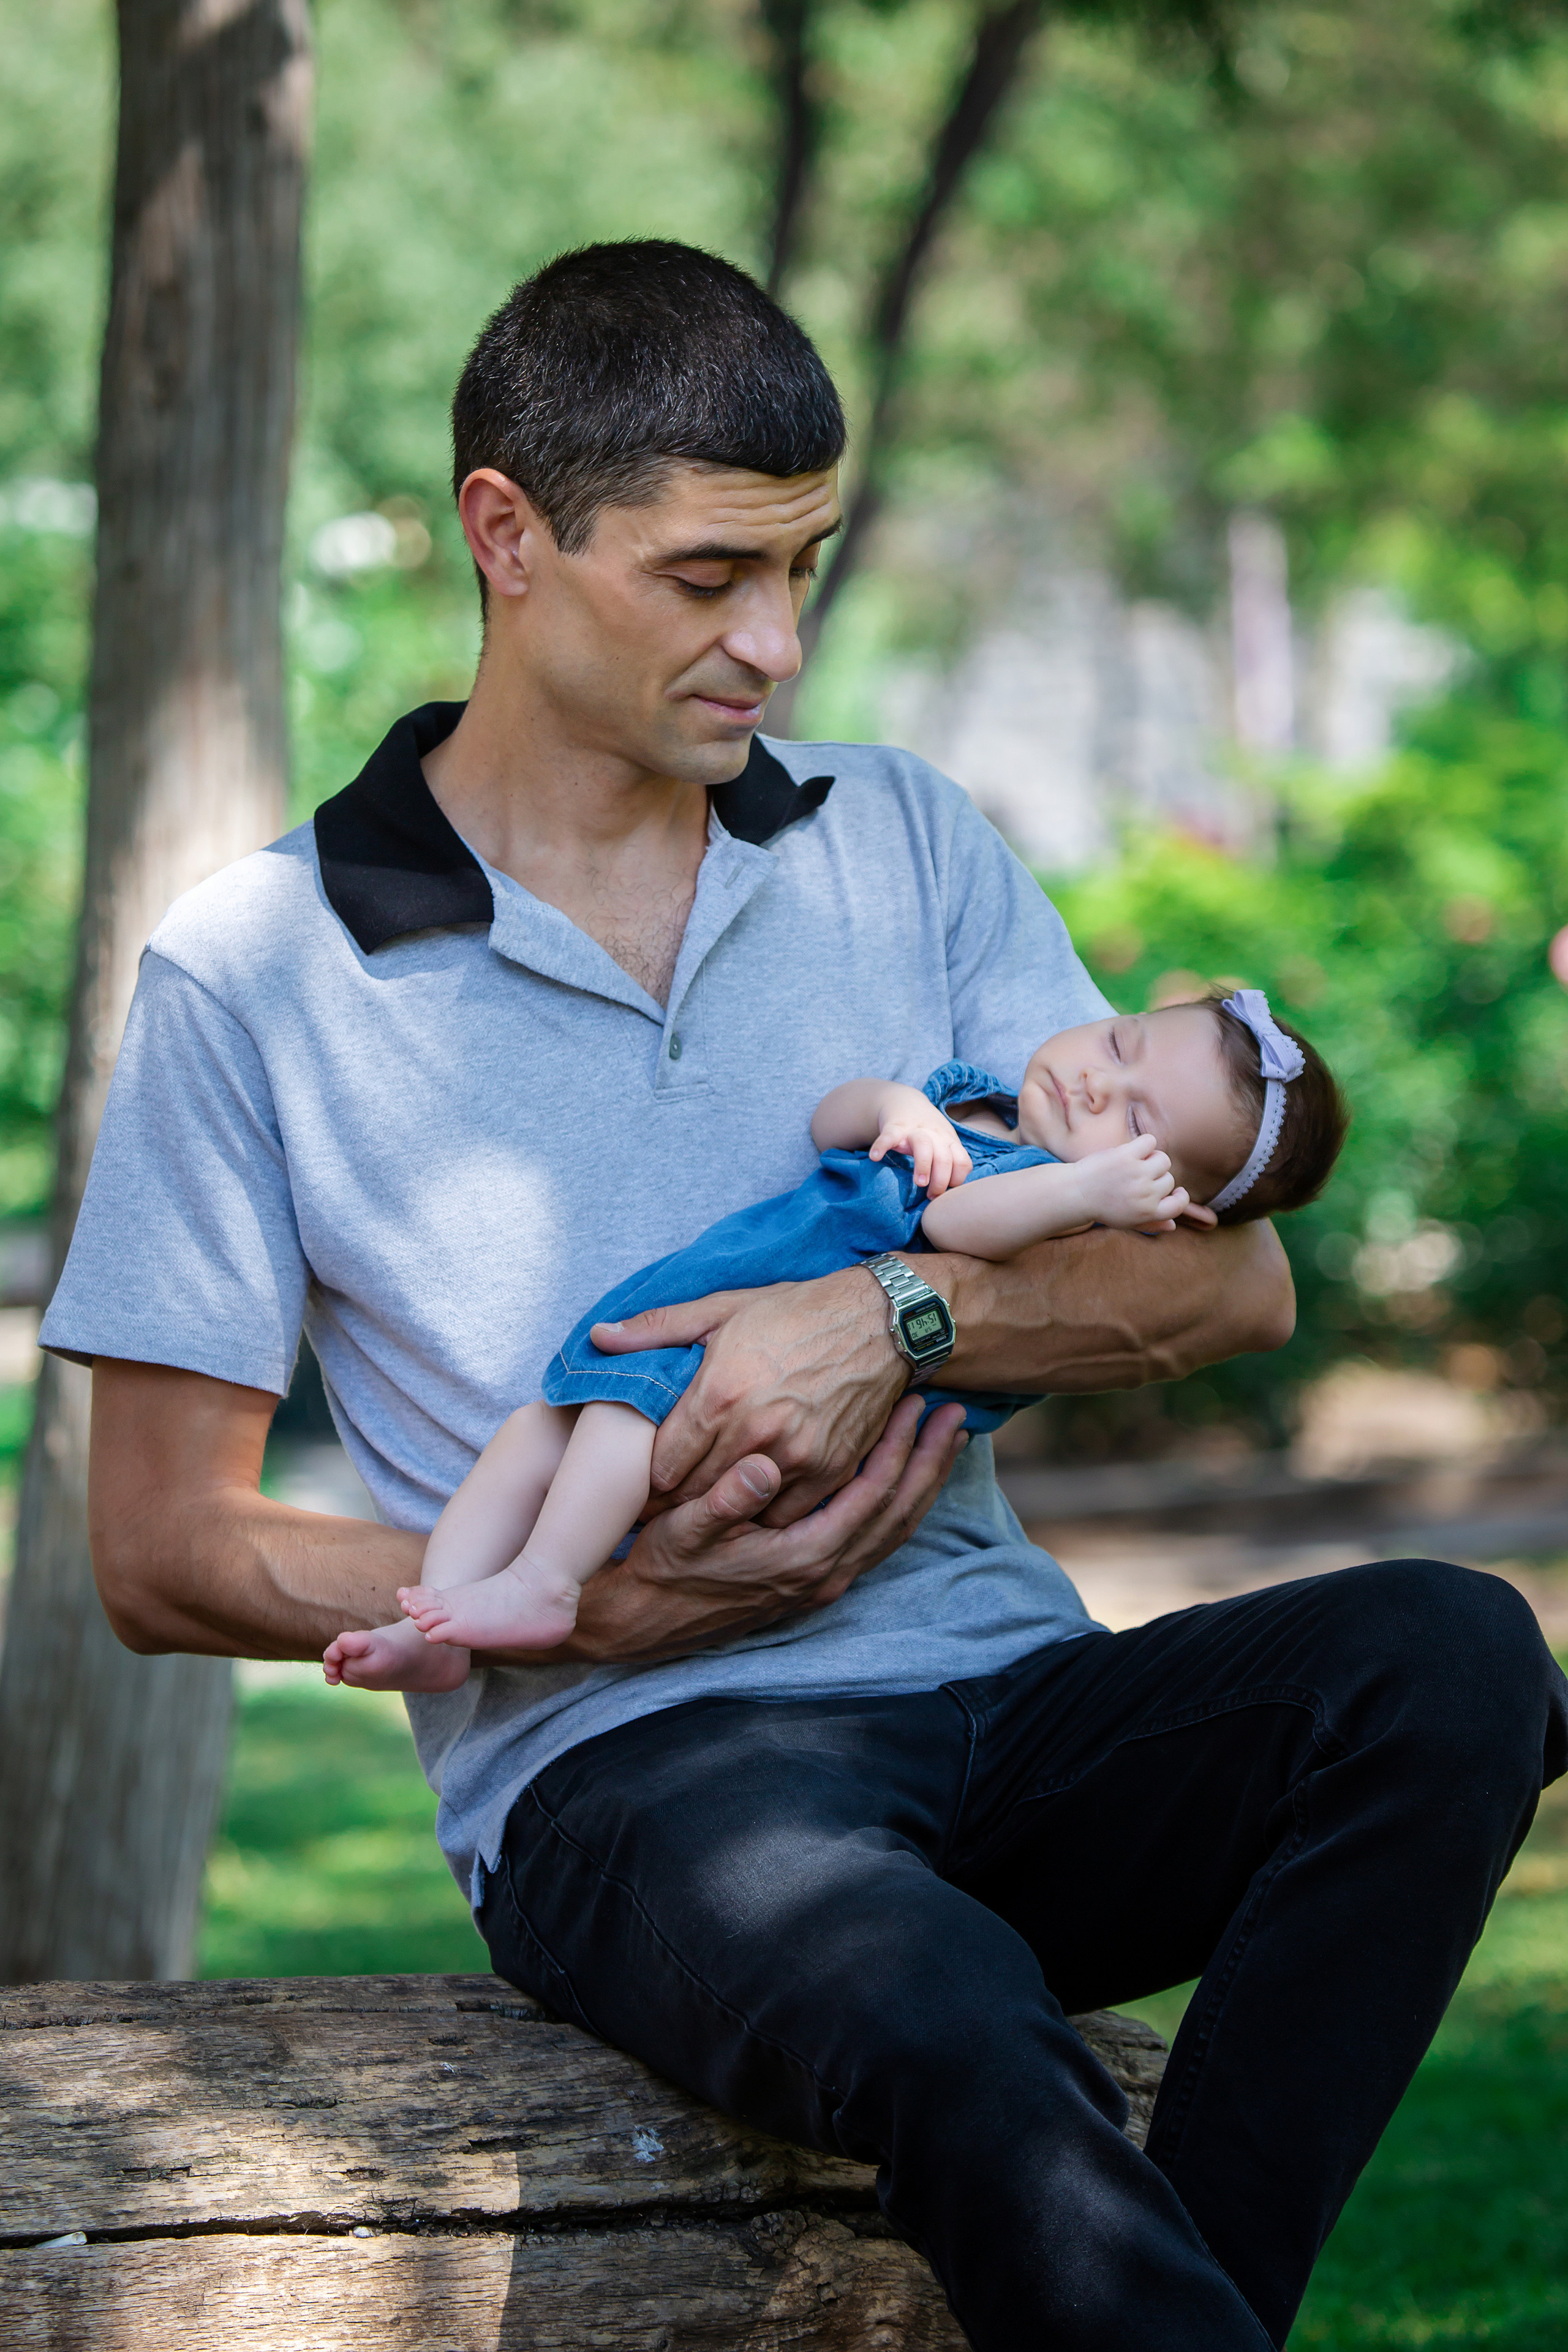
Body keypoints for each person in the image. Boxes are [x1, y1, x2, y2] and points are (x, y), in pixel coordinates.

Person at [46, 241, 1565, 2352]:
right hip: (641, 1778)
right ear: (508, 533)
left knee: (1455, 1659)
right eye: (705, 576)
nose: (773, 637)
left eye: (806, 569)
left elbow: (1228, 1291)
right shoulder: (263, 971)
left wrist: (892, 1323)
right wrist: (601, 1596)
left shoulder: (902, 841)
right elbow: (158, 1548)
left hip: (1010, 1706)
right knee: (940, 2001)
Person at [331, 989, 1346, 1678]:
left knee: (610, 1427)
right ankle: (435, 1624)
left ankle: (545, 1583)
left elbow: (955, 1226)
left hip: (725, 1371)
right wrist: (900, 1104)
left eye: (1135, 1127)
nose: (1093, 1085)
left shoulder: (1059, 1207)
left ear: (1169, 1205)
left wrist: (1086, 1187)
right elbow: (834, 1122)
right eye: (1118, 1044)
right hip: (709, 1317)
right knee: (529, 1438)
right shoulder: (972, 1104)